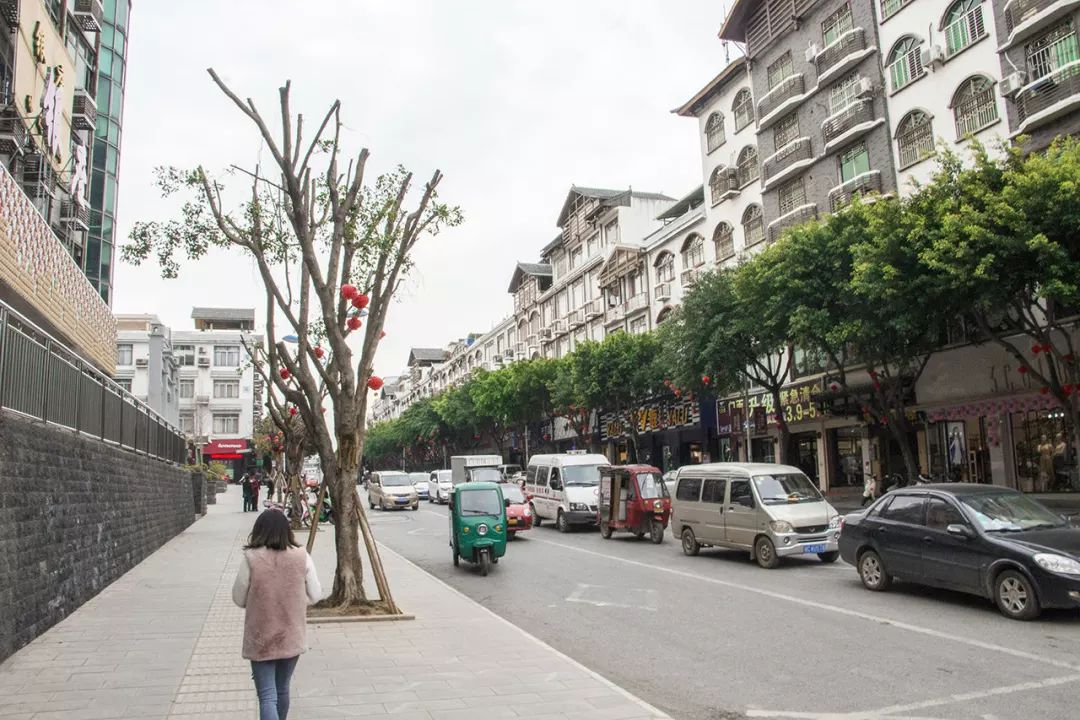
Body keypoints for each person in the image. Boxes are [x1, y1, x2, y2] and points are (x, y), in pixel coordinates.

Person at [232, 510, 322, 720]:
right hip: (291, 633)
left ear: (259, 530)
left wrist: (259, 602)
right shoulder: (302, 555)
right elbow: (316, 594)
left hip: (261, 636)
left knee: (267, 696)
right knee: (282, 689)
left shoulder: (251, 558)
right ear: (286, 530)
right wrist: (295, 601)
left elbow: (238, 597)